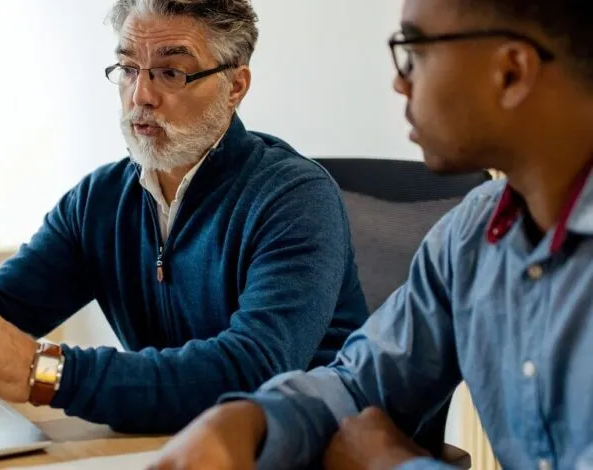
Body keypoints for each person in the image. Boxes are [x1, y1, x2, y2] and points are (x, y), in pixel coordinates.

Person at [0, 0, 368, 434]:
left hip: (311, 448)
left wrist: (46, 370)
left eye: (171, 73)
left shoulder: (294, 197)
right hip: (176, 443)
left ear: (236, 86)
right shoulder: (102, 199)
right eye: (128, 67)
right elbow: (9, 306)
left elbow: (253, 371)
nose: (141, 95)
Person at [149, 0, 593, 468]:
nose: (400, 82)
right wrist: (247, 421)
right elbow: (359, 384)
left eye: (414, 51)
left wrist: (390, 463)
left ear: (511, 72)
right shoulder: (471, 235)